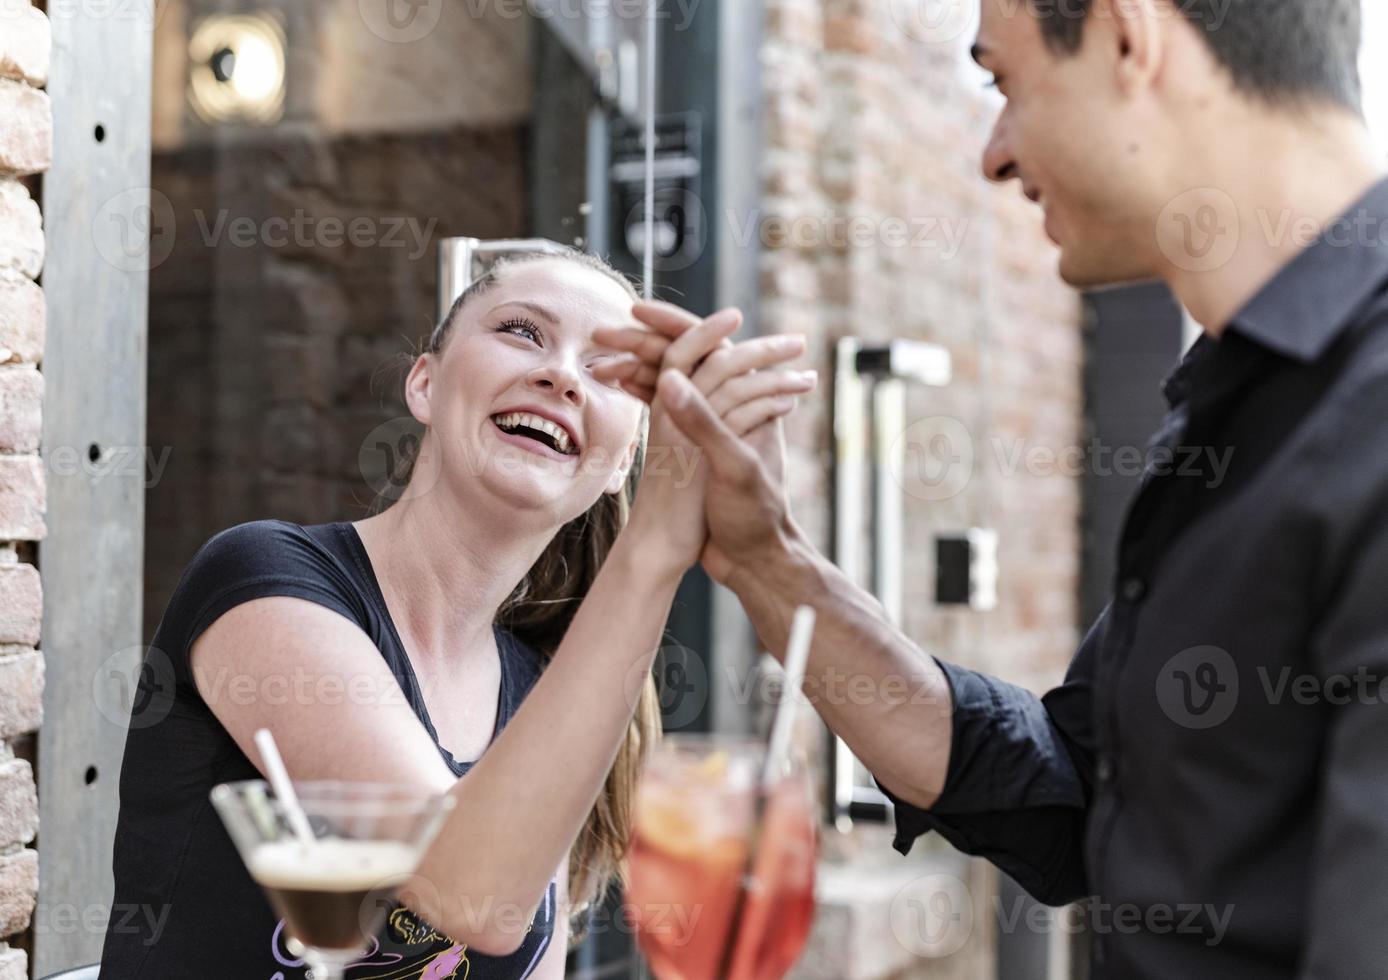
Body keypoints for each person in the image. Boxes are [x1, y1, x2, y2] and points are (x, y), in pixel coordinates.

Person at [593, 0, 1388, 975]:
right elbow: (1074, 795)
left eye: (1003, 83)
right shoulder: (1235, 407)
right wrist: (767, 561)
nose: (991, 154)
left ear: (1125, 38)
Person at [99, 248, 818, 979]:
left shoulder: (552, 696)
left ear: (625, 457)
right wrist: (658, 544)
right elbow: (467, 893)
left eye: (606, 370)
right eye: (522, 331)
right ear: (426, 384)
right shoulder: (262, 581)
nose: (562, 374)